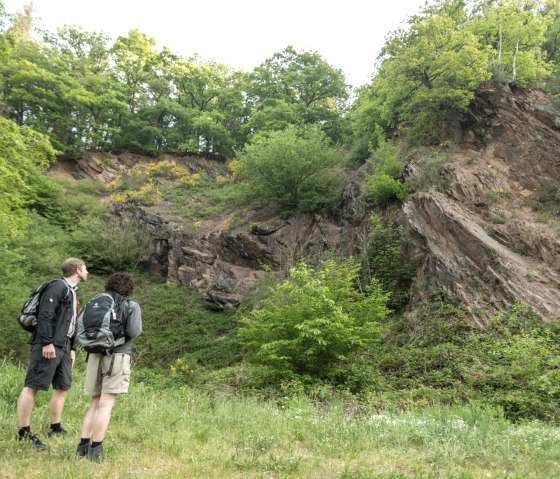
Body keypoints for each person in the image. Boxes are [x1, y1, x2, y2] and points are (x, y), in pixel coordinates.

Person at [16, 257, 88, 450]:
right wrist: (47, 343)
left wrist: (72, 348)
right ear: (77, 270)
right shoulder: (57, 287)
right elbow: (45, 316)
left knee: (63, 387)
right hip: (48, 345)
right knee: (33, 385)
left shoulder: (73, 292)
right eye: (85, 268)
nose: (87, 272)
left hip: (64, 347)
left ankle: (55, 428)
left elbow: (70, 323)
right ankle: (23, 432)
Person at [76, 272, 142, 461]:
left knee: (95, 403)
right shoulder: (131, 305)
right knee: (106, 404)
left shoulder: (97, 301)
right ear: (129, 288)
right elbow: (133, 331)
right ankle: (96, 450)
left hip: (94, 355)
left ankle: (82, 447)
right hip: (117, 355)